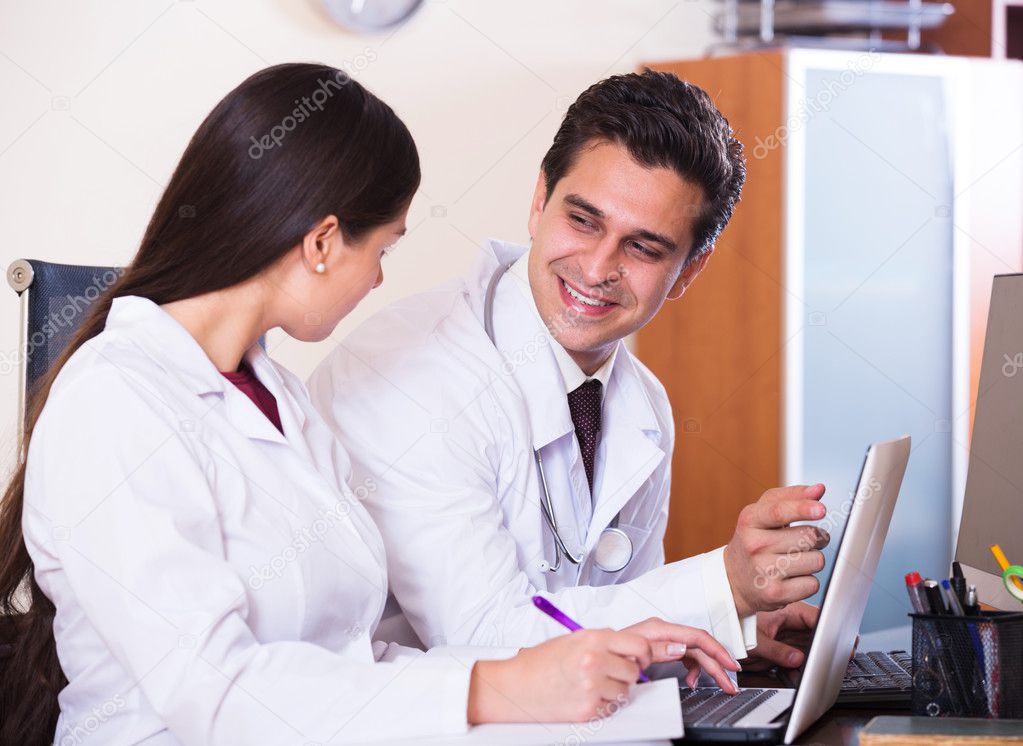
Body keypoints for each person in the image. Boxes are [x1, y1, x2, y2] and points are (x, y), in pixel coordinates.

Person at [0, 64, 739, 746]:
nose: (381, 281)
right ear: (324, 242)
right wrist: (492, 686)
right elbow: (214, 693)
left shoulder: (278, 398)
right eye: (382, 249)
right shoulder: (115, 402)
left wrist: (538, 680)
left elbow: (357, 653)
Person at [308, 70, 829, 668]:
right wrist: (719, 589)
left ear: (689, 271)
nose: (597, 267)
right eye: (583, 221)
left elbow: (610, 631)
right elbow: (483, 634)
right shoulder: (409, 375)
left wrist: (718, 627)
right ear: (539, 200)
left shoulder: (644, 405)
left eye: (644, 247)